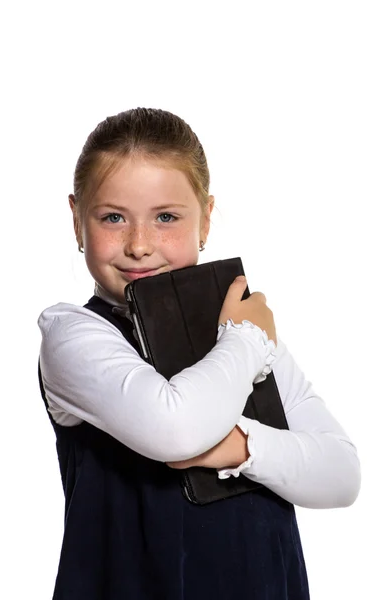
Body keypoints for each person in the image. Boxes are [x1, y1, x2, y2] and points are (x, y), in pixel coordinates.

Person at [38, 107, 361, 600]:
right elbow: (176, 428)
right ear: (77, 220)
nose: (139, 245)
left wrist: (245, 448)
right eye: (112, 218)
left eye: (166, 217)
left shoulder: (235, 327)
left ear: (206, 219)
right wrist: (248, 341)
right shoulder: (73, 335)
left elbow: (341, 474)